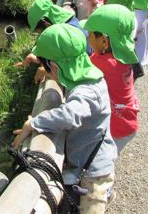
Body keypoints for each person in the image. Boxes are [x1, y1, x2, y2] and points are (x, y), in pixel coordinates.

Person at [12, 23, 118, 213]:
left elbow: (70, 115)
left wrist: (34, 123)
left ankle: (104, 196)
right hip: (84, 160)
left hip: (94, 174)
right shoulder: (85, 77)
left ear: (54, 66)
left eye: (46, 65)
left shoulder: (87, 92)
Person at [79, 5, 140, 155]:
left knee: (101, 162)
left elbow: (76, 71)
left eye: (90, 35)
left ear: (104, 41)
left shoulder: (105, 64)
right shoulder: (123, 54)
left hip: (117, 127)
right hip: (127, 120)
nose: (88, 38)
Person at [21, 0, 91, 84]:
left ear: (46, 23)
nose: (40, 34)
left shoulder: (67, 38)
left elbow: (72, 70)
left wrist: (46, 70)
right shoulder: (69, 22)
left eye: (40, 31)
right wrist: (35, 53)